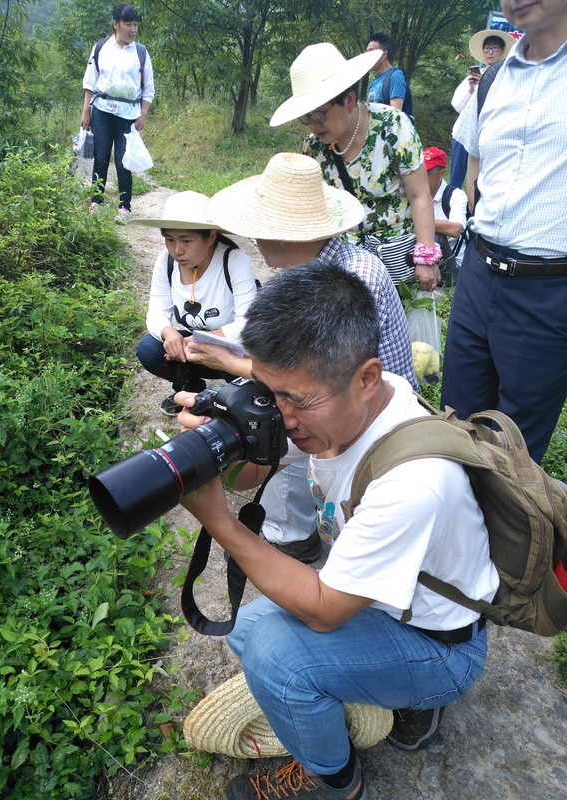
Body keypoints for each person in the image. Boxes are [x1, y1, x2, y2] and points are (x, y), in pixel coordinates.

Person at [176, 261, 498, 800]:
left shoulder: (414, 481)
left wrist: (220, 524)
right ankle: (367, 696)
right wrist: (224, 444)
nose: (282, 415)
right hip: (387, 603)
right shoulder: (354, 397)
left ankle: (337, 781)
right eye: (267, 392)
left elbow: (324, 609)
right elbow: (251, 474)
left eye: (296, 402)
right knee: (247, 631)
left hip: (442, 646)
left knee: (276, 657)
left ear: (366, 377)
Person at [188, 152, 418, 564]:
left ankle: (319, 541)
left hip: (372, 427)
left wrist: (227, 365)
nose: (254, 239)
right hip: (337, 406)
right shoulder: (312, 271)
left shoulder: (350, 280)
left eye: (259, 228)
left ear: (282, 233)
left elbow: (311, 384)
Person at [442, 0, 567, 465]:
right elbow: (474, 164)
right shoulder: (493, 78)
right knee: (454, 424)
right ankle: (456, 532)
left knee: (515, 453)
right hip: (479, 273)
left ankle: (510, 538)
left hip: (548, 288)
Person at [270, 43, 441, 290]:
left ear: (349, 100)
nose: (312, 125)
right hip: (345, 270)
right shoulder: (313, 148)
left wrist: (425, 257)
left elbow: (419, 194)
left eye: (319, 115)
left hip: (395, 262)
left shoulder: (391, 127)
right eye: (304, 118)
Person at [131, 191, 258, 415]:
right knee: (149, 348)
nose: (177, 250)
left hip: (230, 351)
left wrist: (197, 341)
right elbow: (156, 313)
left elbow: (246, 324)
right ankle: (190, 386)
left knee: (245, 363)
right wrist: (169, 334)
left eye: (186, 241)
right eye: (170, 239)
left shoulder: (233, 260)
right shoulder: (166, 262)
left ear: (210, 237)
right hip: (191, 349)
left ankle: (233, 397)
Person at [81, 4, 155, 223]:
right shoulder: (101, 47)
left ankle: (124, 208)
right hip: (102, 111)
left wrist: (143, 114)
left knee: (124, 161)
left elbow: (148, 88)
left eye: (135, 24)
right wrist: (86, 110)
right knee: (101, 157)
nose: (133, 29)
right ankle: (96, 202)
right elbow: (90, 81)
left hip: (128, 115)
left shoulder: (140, 52)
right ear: (116, 25)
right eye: (128, 24)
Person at [449, 28, 516, 188]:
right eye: (487, 48)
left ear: (501, 51)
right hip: (463, 132)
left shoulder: (506, 77)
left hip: (487, 135)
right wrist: (472, 89)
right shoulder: (473, 76)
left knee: (480, 181)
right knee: (455, 180)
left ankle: (474, 209)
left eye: (494, 48)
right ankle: (450, 208)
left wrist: (486, 84)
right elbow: (457, 105)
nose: (490, 52)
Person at [423, 146, 468, 283]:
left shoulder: (455, 195)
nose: (421, 179)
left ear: (442, 173)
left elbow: (455, 229)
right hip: (422, 260)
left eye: (427, 174)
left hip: (452, 264)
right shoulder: (413, 196)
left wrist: (417, 221)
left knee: (437, 236)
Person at [366, 33, 411, 114]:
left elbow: (395, 115)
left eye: (371, 51)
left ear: (384, 53)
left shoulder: (395, 76)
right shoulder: (374, 81)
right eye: (367, 51)